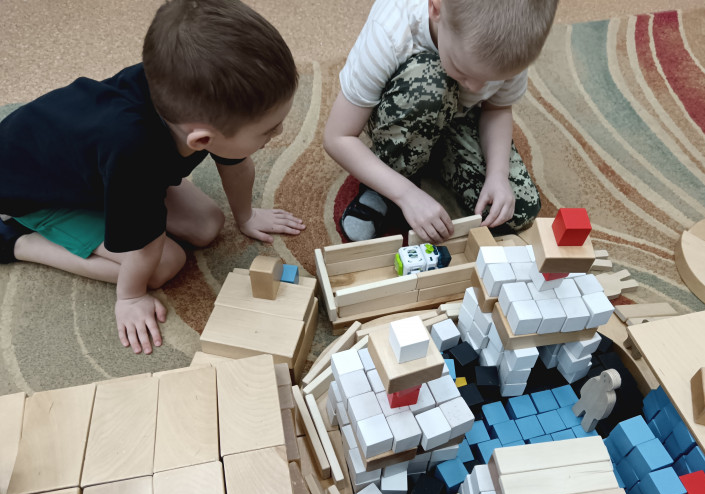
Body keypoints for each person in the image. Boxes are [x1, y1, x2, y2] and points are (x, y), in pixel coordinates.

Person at [0, 0, 305, 355]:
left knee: (208, 225)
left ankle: (123, 203)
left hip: (95, 166)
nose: (280, 133)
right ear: (201, 140)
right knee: (163, 264)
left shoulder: (190, 93)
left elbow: (236, 162)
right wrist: (130, 297)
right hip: (31, 191)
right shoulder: (133, 153)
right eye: (269, 130)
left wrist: (246, 216)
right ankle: (16, 243)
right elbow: (145, 247)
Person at [324, 0, 558, 244]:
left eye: (491, 79)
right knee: (430, 84)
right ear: (435, 9)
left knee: (519, 208)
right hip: (404, 108)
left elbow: (496, 109)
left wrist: (497, 175)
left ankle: (429, 157)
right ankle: (389, 177)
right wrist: (405, 194)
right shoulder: (391, 30)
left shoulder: (512, 42)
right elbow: (337, 137)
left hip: (458, 116)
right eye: (464, 71)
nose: (476, 87)